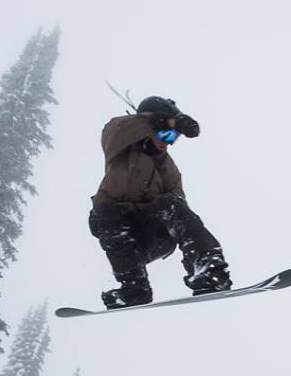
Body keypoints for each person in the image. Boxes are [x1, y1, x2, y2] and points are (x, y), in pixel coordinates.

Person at [90, 96, 232, 309]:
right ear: (149, 126)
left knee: (169, 202)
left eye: (174, 137)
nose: (168, 141)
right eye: (165, 133)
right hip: (122, 239)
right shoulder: (119, 146)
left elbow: (181, 213)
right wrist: (163, 121)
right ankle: (134, 288)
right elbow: (117, 127)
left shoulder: (168, 169)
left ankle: (210, 269)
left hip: (154, 237)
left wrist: (171, 126)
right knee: (103, 210)